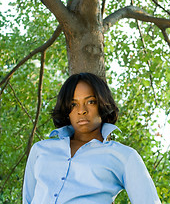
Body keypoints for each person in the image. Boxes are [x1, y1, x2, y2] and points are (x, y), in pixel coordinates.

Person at [23, 72, 161, 204]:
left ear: (102, 104)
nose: (81, 110)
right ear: (66, 109)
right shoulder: (40, 150)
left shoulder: (124, 156)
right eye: (73, 104)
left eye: (90, 102)